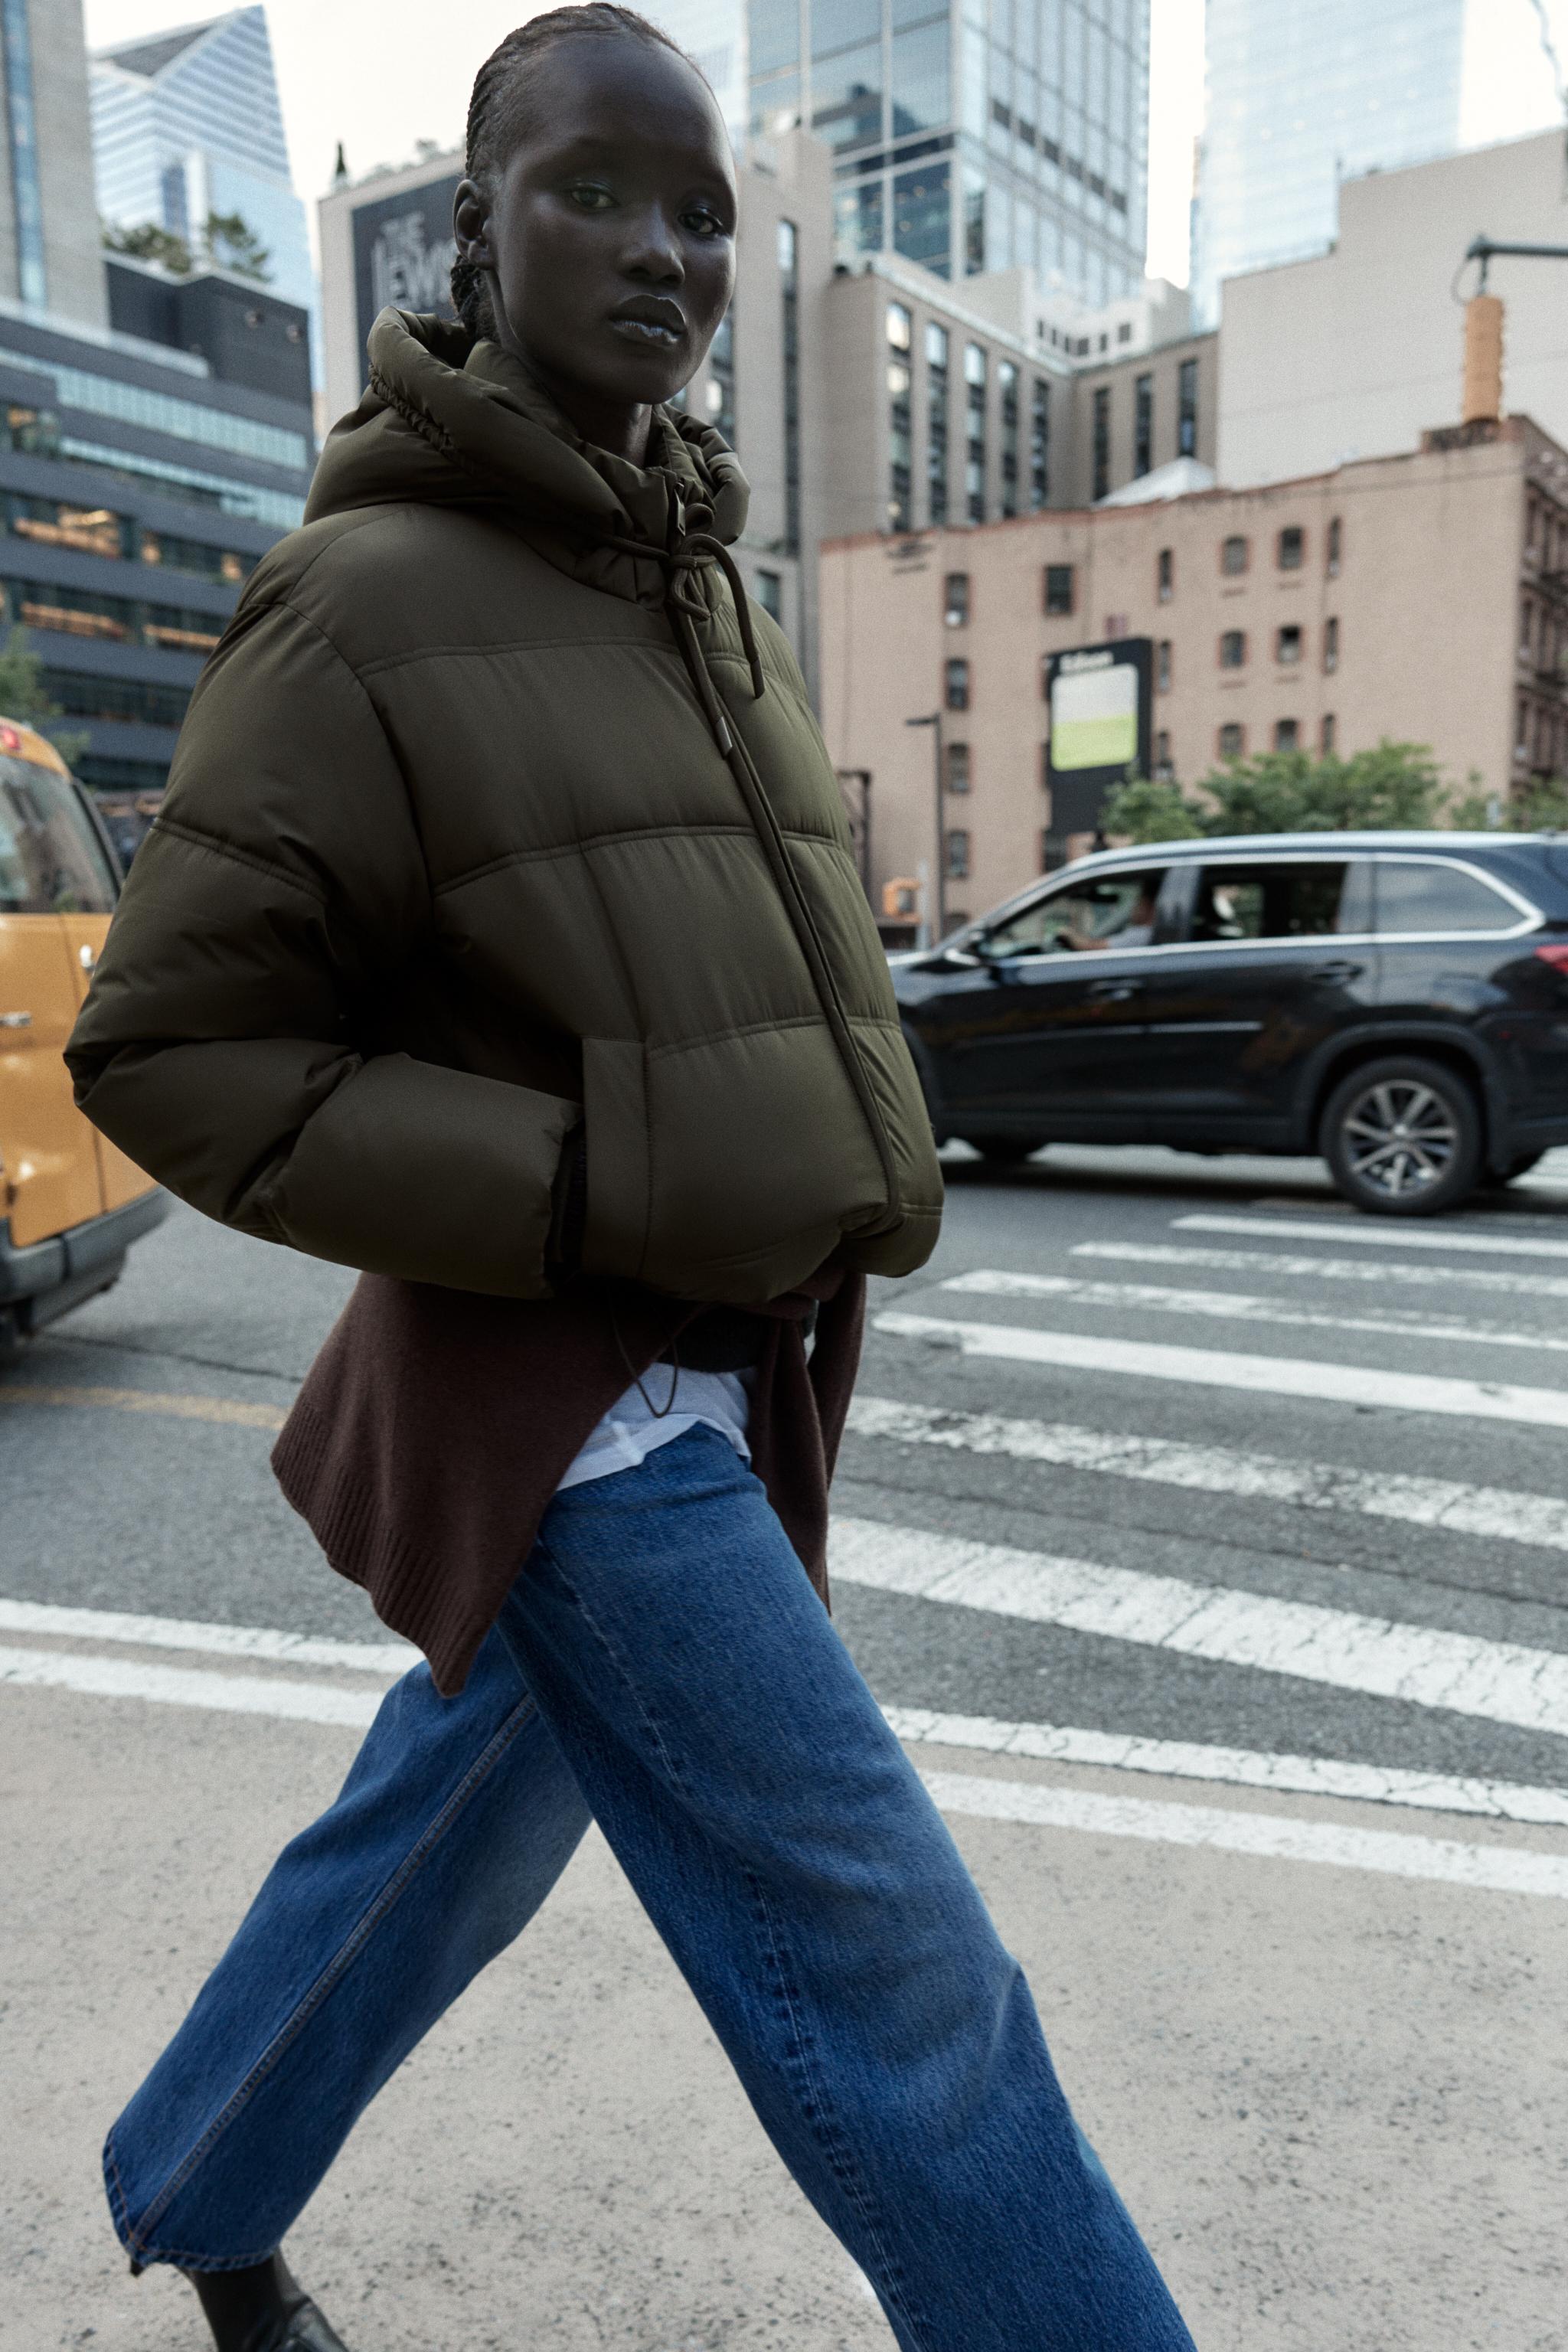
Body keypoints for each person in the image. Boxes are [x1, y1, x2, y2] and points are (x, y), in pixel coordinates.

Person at [67, 15, 1197, 2351]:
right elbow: (173, 1045)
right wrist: (587, 1189)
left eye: (706, 213)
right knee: (904, 1978)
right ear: (474, 225)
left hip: (738, 1363)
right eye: (601, 190)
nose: (669, 251)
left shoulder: (690, 579)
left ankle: (196, 2183)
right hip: (583, 1410)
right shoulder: (363, 598)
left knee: (432, 1853)